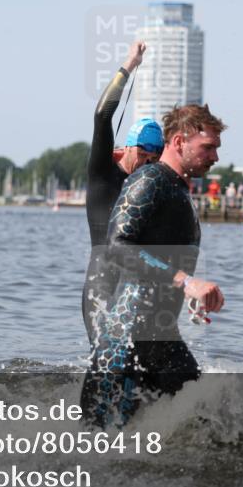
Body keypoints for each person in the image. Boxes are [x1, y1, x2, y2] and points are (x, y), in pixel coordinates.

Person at [81, 104, 227, 428]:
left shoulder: (176, 187)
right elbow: (118, 247)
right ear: (178, 142)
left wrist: (188, 293)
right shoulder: (149, 180)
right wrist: (184, 281)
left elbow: (164, 258)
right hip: (125, 344)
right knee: (95, 454)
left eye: (217, 147)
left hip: (162, 340)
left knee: (209, 426)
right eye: (208, 147)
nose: (215, 156)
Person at [82, 40, 163, 343]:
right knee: (106, 358)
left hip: (136, 281)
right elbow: (102, 115)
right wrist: (130, 64)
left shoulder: (149, 182)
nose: (147, 163)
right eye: (142, 154)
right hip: (102, 278)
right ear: (128, 146)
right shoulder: (102, 170)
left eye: (154, 159)